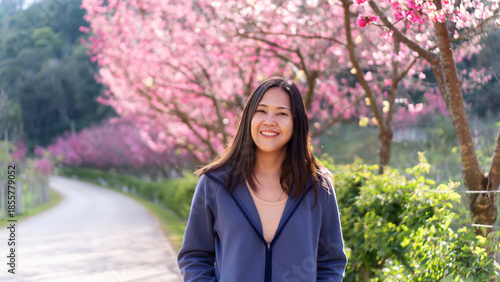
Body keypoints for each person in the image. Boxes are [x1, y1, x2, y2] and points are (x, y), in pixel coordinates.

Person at [177, 77, 347, 281]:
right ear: (249, 117)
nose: (269, 121)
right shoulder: (215, 183)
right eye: (261, 110)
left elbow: (331, 261)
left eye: (282, 113)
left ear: (296, 122)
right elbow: (195, 256)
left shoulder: (318, 186)